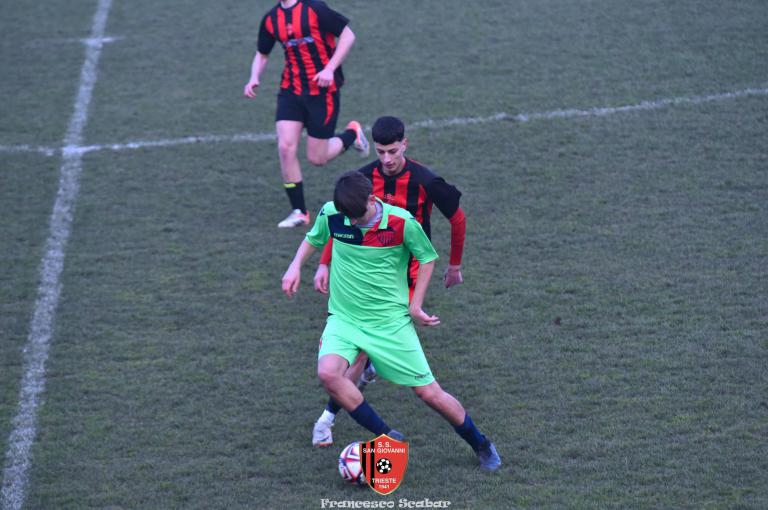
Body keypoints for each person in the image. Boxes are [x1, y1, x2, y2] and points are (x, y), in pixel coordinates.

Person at [282, 171, 501, 471]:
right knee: (328, 374)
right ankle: (387, 436)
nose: (352, 223)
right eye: (348, 218)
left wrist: (415, 305)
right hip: (344, 319)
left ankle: (481, 444)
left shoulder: (402, 222)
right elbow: (313, 239)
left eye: (357, 217)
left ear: (372, 200)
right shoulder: (333, 213)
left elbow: (427, 258)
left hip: (389, 323)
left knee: (429, 393)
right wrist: (295, 266)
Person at [311, 116, 467, 447]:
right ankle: (330, 418)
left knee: (367, 355)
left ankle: (330, 418)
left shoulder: (426, 180)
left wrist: (454, 265)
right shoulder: (363, 180)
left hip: (406, 274)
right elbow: (341, 223)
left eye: (392, 151)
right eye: (380, 152)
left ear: (404, 145)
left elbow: (457, 218)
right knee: (357, 353)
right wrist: (324, 263)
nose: (386, 159)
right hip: (371, 273)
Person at [244, 0, 369, 228]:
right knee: (285, 147)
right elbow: (262, 54)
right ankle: (299, 212)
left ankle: (352, 134)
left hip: (323, 92)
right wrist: (254, 77)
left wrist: (329, 69)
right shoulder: (272, 19)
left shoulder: (314, 8)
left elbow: (348, 35)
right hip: (291, 91)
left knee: (317, 158)